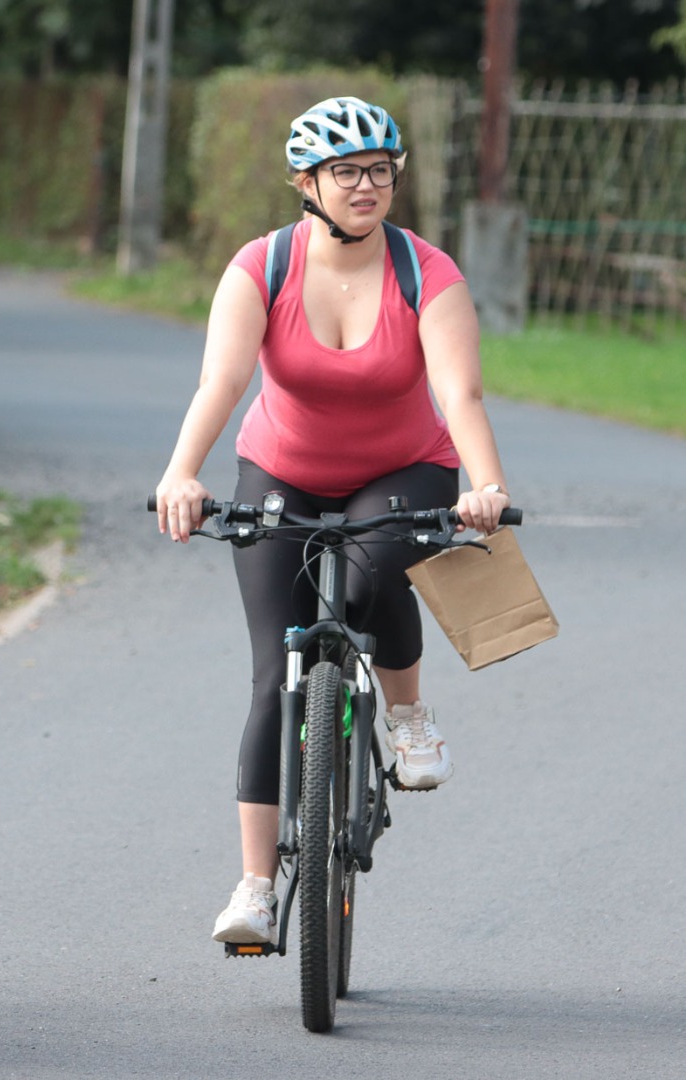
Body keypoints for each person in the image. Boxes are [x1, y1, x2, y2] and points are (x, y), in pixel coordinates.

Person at [152, 96, 513, 946]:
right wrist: (180, 471)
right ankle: (251, 887)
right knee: (270, 666)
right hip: (280, 467)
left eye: (380, 171)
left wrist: (486, 484)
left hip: (402, 467)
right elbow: (221, 382)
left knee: (374, 565)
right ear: (303, 182)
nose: (366, 186)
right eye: (345, 171)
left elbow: (458, 392)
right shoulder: (262, 267)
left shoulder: (427, 272)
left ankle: (407, 714)